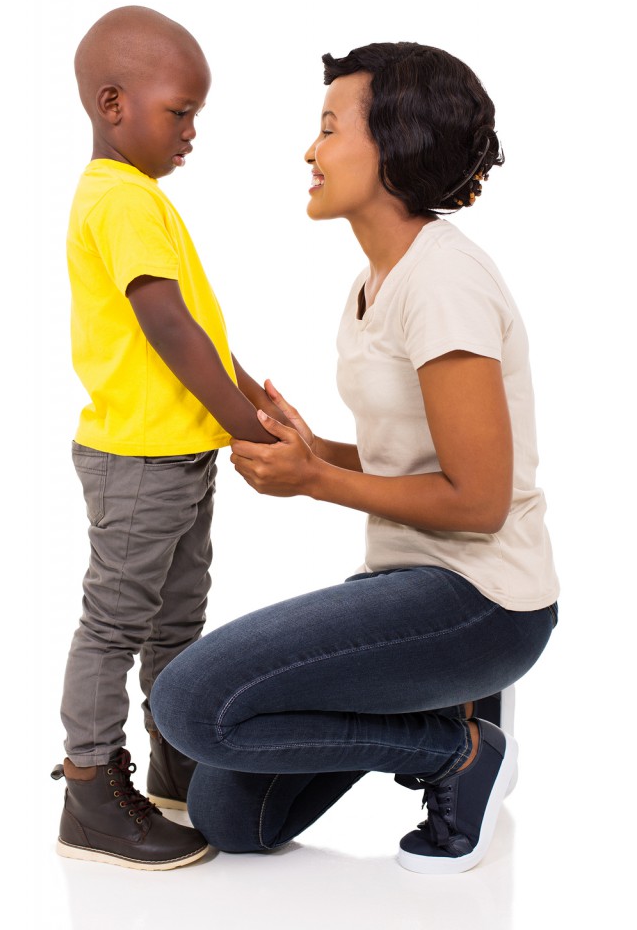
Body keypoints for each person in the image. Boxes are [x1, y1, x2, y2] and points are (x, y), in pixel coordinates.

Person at [150, 42, 559, 874]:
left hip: (481, 600)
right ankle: (461, 714)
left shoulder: (442, 282)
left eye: (330, 128)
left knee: (190, 705)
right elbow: (413, 459)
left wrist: (317, 481)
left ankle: (456, 751)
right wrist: (317, 456)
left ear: (395, 142)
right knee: (230, 817)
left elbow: (478, 501)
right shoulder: (375, 281)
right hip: (407, 584)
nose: (310, 150)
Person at [52, 5, 285, 871]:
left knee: (176, 624)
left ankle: (173, 763)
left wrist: (251, 403)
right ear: (114, 104)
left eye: (196, 116)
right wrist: (244, 427)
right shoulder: (119, 200)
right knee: (115, 626)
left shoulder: (136, 198)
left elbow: (201, 329)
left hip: (176, 454)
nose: (192, 132)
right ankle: (88, 792)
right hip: (138, 461)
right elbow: (166, 329)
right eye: (179, 111)